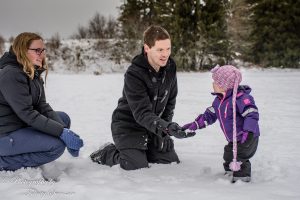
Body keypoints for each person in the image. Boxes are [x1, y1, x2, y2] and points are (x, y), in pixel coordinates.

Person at [90, 25, 195, 170]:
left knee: (168, 161)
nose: (165, 54)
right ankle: (106, 153)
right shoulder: (134, 74)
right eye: (160, 50)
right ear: (147, 48)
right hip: (128, 126)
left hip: (153, 127)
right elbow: (142, 113)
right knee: (135, 165)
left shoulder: (171, 67)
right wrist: (166, 128)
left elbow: (170, 102)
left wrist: (165, 132)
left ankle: (143, 150)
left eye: (168, 49)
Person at [0, 32, 84, 172]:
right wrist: (60, 133)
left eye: (43, 50)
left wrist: (64, 129)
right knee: (56, 146)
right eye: (36, 50)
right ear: (22, 50)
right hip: (5, 134)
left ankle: (29, 149)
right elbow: (27, 113)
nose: (41, 54)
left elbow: (41, 105)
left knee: (63, 118)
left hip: (19, 124)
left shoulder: (31, 70)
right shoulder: (11, 74)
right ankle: (5, 161)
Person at [182, 65, 260, 182]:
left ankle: (242, 179)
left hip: (248, 137)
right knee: (228, 154)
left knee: (239, 157)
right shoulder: (219, 100)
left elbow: (252, 115)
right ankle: (230, 172)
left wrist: (248, 132)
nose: (213, 84)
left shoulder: (242, 99)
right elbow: (210, 115)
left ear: (225, 86)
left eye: (216, 82)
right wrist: (196, 124)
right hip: (234, 139)